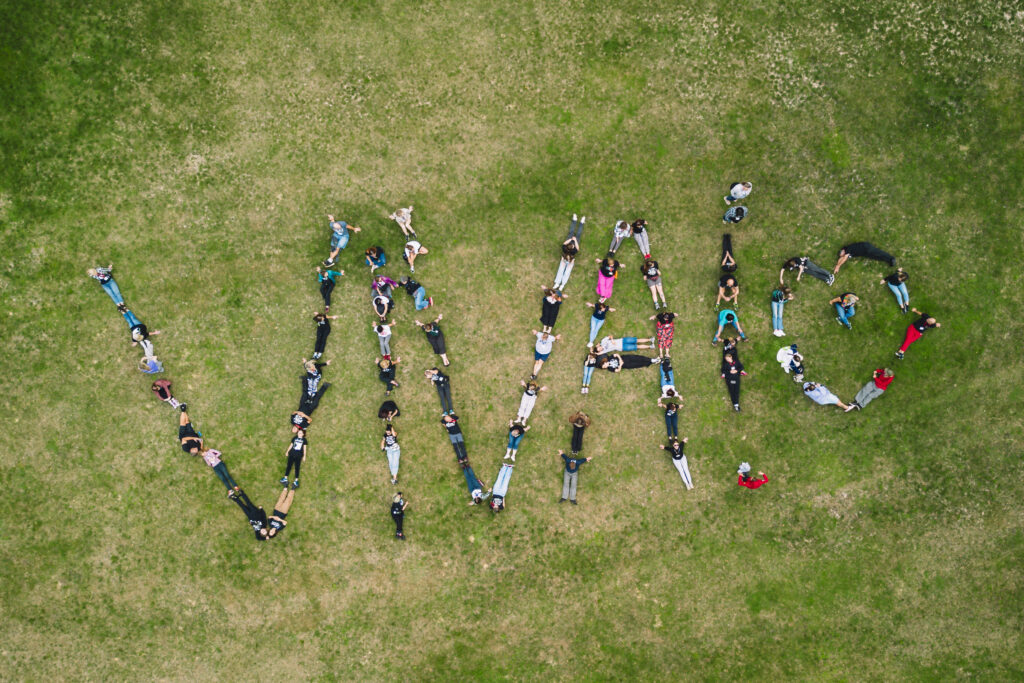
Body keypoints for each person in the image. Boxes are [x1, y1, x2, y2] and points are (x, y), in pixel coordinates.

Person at [553, 214, 584, 292]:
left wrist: (571, 240)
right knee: (561, 270)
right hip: (565, 260)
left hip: (570, 260)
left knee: (567, 272)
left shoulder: (567, 248)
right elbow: (577, 248)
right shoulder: (572, 249)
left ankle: (562, 284)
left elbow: (564, 244)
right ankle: (557, 283)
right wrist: (574, 240)